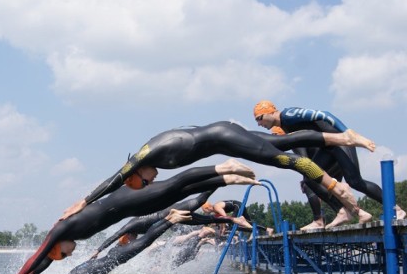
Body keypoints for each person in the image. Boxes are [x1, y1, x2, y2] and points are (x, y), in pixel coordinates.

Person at [0, 160, 260, 274]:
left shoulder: (64, 227)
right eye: (65, 257)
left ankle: (222, 174)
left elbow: (41, 252)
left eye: (63, 254)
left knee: (178, 189)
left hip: (129, 201)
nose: (69, 254)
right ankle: (220, 182)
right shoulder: (70, 236)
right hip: (131, 206)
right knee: (179, 200)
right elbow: (46, 261)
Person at [60, 121, 375, 223]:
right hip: (225, 137)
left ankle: (335, 183)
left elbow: (118, 175)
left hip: (225, 137)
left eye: (145, 181)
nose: (152, 181)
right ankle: (342, 138)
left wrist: (85, 201)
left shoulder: (149, 153)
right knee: (287, 142)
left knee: (286, 160)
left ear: (138, 171)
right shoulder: (152, 154)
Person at [253, 100, 406, 226]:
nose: (259, 124)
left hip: (340, 142)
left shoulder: (288, 115)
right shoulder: (285, 126)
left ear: (270, 111)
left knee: (355, 181)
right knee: (309, 179)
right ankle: (345, 211)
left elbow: (324, 114)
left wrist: (348, 133)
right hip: (327, 149)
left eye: (259, 118)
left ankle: (396, 209)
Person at [61, 209, 194, 274]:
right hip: (90, 268)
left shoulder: (117, 250)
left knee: (146, 240)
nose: (134, 239)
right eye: (133, 236)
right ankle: (171, 220)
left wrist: (98, 249)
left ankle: (170, 220)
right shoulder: (113, 254)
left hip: (90, 268)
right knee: (146, 240)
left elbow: (118, 236)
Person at [90, 189, 236, 259]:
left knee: (200, 201)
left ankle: (219, 179)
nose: (133, 241)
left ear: (128, 235)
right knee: (207, 220)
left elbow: (115, 236)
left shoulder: (132, 225)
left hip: (173, 212)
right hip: (173, 218)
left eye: (130, 240)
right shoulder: (137, 229)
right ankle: (235, 220)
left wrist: (98, 250)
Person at [201, 199, 273, 235]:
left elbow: (224, 217)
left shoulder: (216, 207)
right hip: (239, 205)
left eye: (204, 211)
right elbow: (222, 219)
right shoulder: (215, 210)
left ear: (207, 208)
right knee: (249, 223)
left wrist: (223, 227)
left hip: (237, 206)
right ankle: (267, 229)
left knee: (231, 224)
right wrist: (222, 228)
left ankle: (249, 227)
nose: (205, 213)